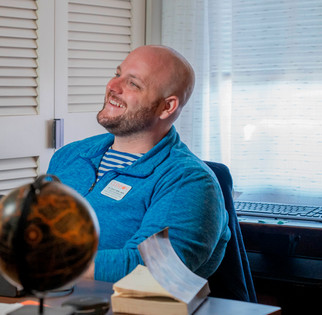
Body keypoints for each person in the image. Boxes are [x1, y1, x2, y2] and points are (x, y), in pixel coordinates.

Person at [47, 45, 231, 283]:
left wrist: (44, 265)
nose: (112, 87)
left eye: (133, 84)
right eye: (117, 74)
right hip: (42, 298)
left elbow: (154, 267)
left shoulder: (189, 181)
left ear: (167, 107)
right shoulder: (70, 156)